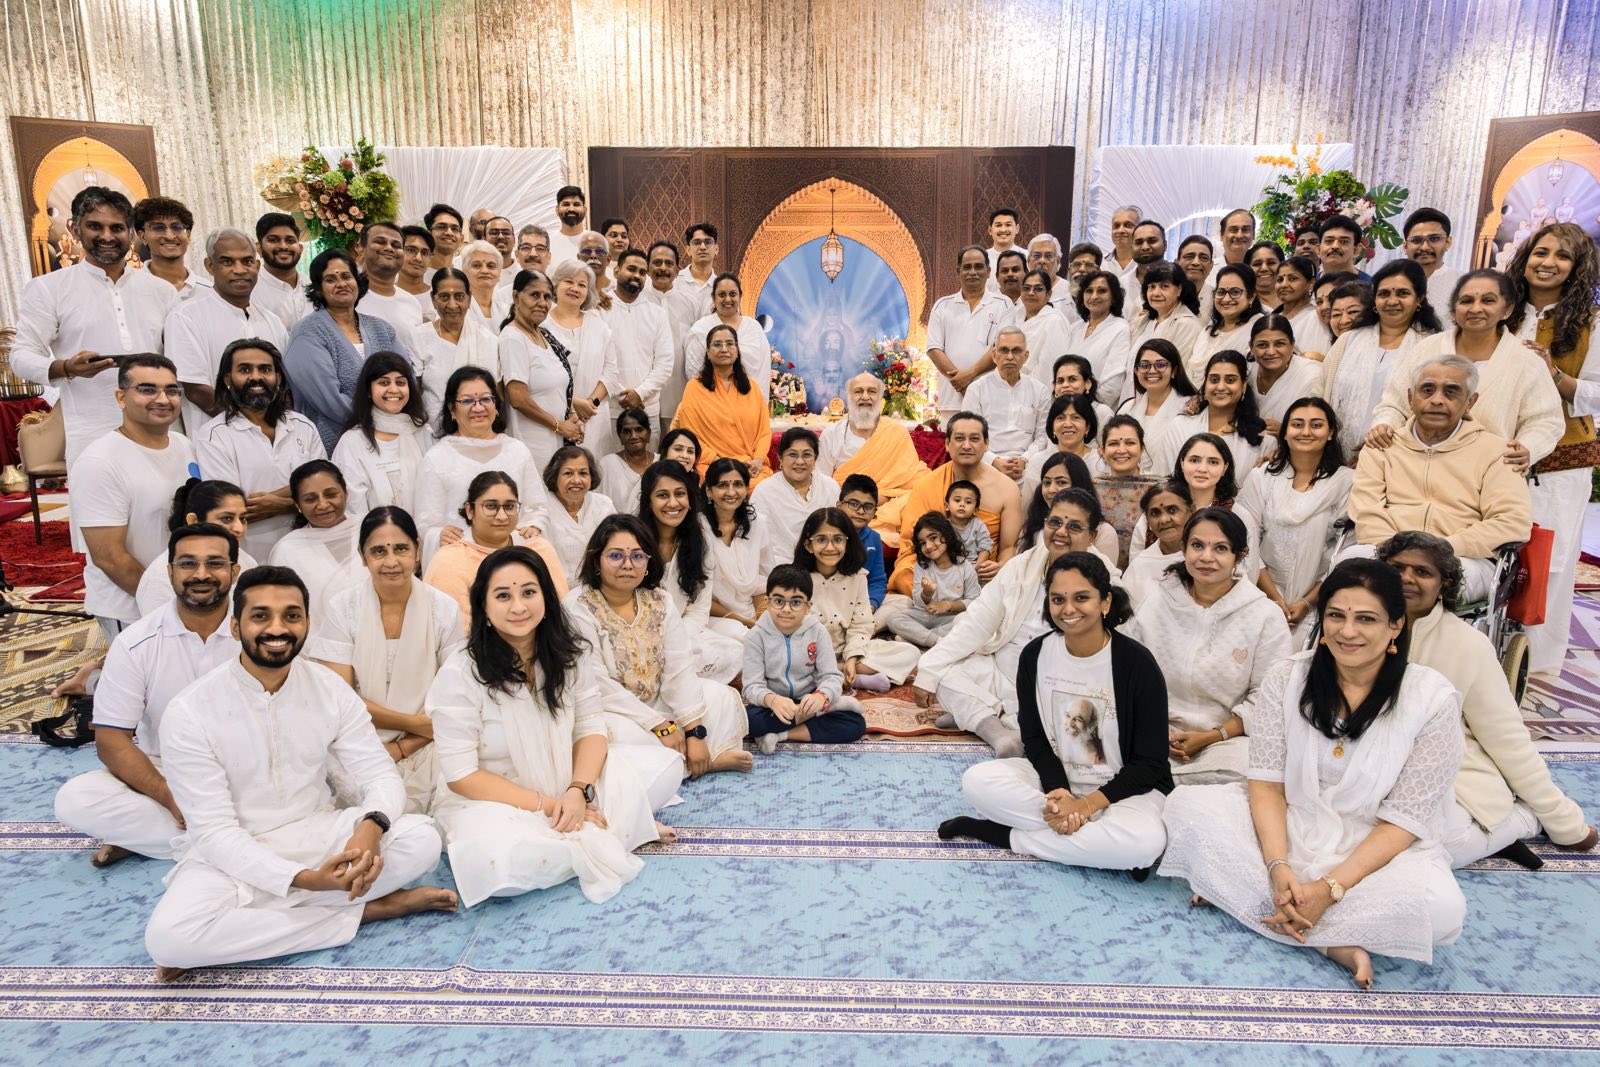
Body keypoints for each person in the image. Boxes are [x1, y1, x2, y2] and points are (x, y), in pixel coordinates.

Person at [1159, 559, 1467, 990]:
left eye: (1366, 619)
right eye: (1336, 616)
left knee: (1442, 911)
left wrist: (1331, 888)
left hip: (1374, 844)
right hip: (1289, 823)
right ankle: (1327, 938)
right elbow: (1266, 784)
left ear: (1396, 626)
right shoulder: (1288, 677)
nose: (1347, 631)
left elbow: (1402, 822)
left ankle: (1262, 904)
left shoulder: (1432, 699)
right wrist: (1277, 864)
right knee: (1186, 808)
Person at [145, 566, 454, 978]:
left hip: (316, 832)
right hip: (231, 851)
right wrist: (306, 880)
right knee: (169, 939)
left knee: (423, 839)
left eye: (291, 616)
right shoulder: (190, 711)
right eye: (261, 616)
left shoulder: (329, 688)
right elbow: (215, 833)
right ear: (235, 627)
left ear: (307, 623)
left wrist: (371, 826)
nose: (277, 628)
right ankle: (364, 911)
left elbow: (380, 775)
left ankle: (257, 923)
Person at [427, 545, 670, 907]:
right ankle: (613, 830)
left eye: (528, 592)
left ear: (546, 598)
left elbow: (591, 728)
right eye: (503, 596)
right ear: (484, 608)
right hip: (496, 799)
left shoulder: (569, 654)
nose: (518, 607)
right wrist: (549, 804)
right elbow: (462, 776)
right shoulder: (460, 674)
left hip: (566, 781)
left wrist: (577, 791)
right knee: (498, 867)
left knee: (665, 769)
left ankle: (590, 828)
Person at [939, 551, 1172, 872]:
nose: (1068, 609)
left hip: (1126, 792)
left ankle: (1003, 835)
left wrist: (1087, 804)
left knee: (1142, 843)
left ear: (1105, 602)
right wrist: (1059, 792)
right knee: (977, 781)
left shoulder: (1137, 665)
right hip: (1058, 782)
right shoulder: (1035, 656)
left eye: (1081, 598)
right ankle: (1092, 841)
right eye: (1058, 599)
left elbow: (1150, 763)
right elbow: (1034, 739)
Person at [1375, 531, 1596, 868]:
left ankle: (1522, 820)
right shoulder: (1354, 628)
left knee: (1430, 850)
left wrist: (1563, 820)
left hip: (1446, 776)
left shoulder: (1467, 645)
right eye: (1396, 568)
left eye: (1422, 571)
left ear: (1445, 583)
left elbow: (1507, 738)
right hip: (1365, 767)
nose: (1406, 578)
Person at [55, 523, 241, 867]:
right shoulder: (135, 643)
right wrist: (168, 796)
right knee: (76, 799)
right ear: (170, 573)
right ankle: (230, 844)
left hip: (250, 768)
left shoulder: (258, 631)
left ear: (234, 571)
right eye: (188, 563)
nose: (201, 574)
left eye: (215, 563)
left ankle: (173, 841)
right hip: (169, 770)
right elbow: (112, 741)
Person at [913, 490, 1107, 755]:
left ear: (1092, 536)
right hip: (1001, 669)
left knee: (1069, 717)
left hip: (1054, 683)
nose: (1061, 532)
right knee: (943, 672)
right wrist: (929, 670)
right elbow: (978, 620)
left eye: (1074, 526)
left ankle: (981, 717)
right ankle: (997, 730)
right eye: (1055, 522)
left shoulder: (1103, 579)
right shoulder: (1022, 565)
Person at [11, 187, 179, 484]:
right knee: (99, 509)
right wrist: (66, 368)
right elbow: (21, 355)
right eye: (95, 226)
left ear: (131, 233)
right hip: (92, 433)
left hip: (160, 428)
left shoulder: (161, 291)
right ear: (75, 229)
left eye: (117, 228)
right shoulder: (49, 288)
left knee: (167, 506)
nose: (107, 236)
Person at [564, 514, 750, 779]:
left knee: (718, 696)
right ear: (596, 561)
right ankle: (698, 764)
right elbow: (597, 684)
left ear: (648, 562)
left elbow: (679, 668)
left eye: (637, 556)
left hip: (658, 700)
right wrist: (659, 726)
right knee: (615, 735)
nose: (628, 564)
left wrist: (694, 731)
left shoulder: (659, 600)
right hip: (613, 709)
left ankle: (685, 760)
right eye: (615, 556)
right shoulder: (577, 607)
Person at [309, 507, 465, 813]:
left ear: (417, 550)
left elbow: (454, 698)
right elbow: (340, 699)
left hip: (430, 741)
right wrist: (416, 725)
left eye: (401, 549)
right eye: (379, 551)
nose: (391, 561)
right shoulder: (343, 608)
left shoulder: (444, 609)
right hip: (359, 739)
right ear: (362, 555)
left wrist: (405, 745)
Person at [1348, 356, 1533, 602]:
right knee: (1348, 567)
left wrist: (1442, 549)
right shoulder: (1382, 446)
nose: (1437, 400)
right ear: (1410, 398)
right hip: (1385, 551)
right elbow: (1366, 512)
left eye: (1451, 392)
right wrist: (1398, 553)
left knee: (1430, 585)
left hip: (1462, 557)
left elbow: (1511, 521)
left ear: (1470, 402)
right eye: (1427, 390)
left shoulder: (1498, 452)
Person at [1126, 507, 1290, 782]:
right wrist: (1155, 729)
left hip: (1227, 742)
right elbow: (1130, 672)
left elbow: (1268, 698)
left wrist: (1213, 736)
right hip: (1153, 731)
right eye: (1197, 545)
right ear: (1184, 548)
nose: (1206, 557)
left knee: (1244, 774)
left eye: (1220, 548)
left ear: (1239, 556)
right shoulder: (1159, 600)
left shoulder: (1264, 616)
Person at [1366, 270, 1563, 474]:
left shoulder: (1526, 360)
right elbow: (1395, 403)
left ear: (1507, 310)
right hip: (1417, 469)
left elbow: (1545, 420)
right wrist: (1384, 425)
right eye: (1466, 301)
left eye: (1488, 300)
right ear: (1453, 311)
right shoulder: (1427, 348)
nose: (1475, 308)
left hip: (1489, 473)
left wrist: (1528, 447)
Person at [1513, 222, 1600, 676]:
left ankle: (1534, 659)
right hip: (1502, 453)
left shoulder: (1592, 322)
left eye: (1561, 256)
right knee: (1497, 550)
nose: (1547, 262)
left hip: (1561, 461)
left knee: (1551, 557)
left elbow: (1598, 393)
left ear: (1577, 267)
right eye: (1540, 252)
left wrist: (1553, 374)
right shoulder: (1503, 310)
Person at [74, 356, 196, 638]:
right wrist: (166, 603)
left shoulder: (183, 444)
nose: (163, 399)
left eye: (171, 390)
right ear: (121, 397)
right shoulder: (99, 461)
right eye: (147, 389)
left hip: (184, 599)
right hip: (132, 607)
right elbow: (109, 557)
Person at [193, 339, 325, 560]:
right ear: (227, 380)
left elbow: (327, 489)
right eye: (245, 370)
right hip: (250, 557)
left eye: (265, 369)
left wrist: (284, 505)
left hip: (310, 552)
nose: (256, 377)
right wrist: (303, 493)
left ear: (278, 378)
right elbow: (230, 509)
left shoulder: (304, 425)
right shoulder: (213, 436)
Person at [1236, 398, 1353, 644]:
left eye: (1316, 425)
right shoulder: (1262, 477)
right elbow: (1245, 540)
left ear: (1331, 433)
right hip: (1258, 594)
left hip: (1320, 602)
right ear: (1285, 432)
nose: (1306, 432)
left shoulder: (1346, 482)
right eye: (1297, 424)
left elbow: (1345, 553)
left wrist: (1307, 602)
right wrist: (1274, 598)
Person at [414, 367, 553, 565]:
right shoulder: (436, 457)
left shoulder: (517, 451)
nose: (478, 408)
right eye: (467, 401)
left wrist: (534, 526)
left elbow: (537, 507)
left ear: (496, 406)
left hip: (514, 560)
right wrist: (438, 535)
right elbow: (426, 523)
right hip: (461, 561)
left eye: (486, 399)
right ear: (452, 409)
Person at [165, 228, 289, 434]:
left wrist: (269, 427)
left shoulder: (272, 321)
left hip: (273, 434)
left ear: (257, 266)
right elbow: (195, 390)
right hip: (216, 439)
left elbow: (282, 384)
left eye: (247, 261)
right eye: (227, 262)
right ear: (210, 265)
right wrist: (250, 426)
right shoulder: (186, 317)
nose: (239, 270)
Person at [283, 247, 407, 451]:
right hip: (336, 441)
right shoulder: (307, 333)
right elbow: (329, 400)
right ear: (319, 289)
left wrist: (393, 426)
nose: (341, 283)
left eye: (347, 276)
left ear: (357, 282)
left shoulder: (381, 328)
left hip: (391, 437)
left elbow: (405, 379)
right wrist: (377, 425)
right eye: (330, 279)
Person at [889, 413, 1023, 594]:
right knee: (904, 576)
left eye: (974, 439)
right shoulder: (927, 485)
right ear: (947, 444)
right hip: (932, 569)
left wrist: (999, 567)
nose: (966, 446)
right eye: (959, 438)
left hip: (979, 575)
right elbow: (912, 545)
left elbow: (1009, 548)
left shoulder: (1007, 489)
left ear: (986, 444)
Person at [1319, 260, 1440, 458]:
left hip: (1395, 454)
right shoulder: (1349, 340)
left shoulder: (1432, 347)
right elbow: (1320, 390)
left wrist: (1377, 445)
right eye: (1384, 294)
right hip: (1334, 452)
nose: (1392, 301)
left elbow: (1431, 407)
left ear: (1419, 299)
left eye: (1402, 293)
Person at [742, 565, 868, 752]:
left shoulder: (818, 632)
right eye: (778, 601)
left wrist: (822, 696)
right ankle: (818, 714)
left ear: (808, 606)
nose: (786, 609)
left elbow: (831, 676)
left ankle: (781, 734)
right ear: (767, 602)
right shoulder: (755, 636)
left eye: (796, 602)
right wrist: (771, 700)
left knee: (855, 724)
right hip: (772, 707)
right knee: (747, 722)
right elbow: (751, 686)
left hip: (808, 700)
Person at [640, 460, 744, 682]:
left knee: (740, 650)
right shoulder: (634, 541)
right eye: (662, 495)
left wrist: (678, 639)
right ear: (648, 501)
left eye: (680, 494)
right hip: (641, 637)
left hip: (684, 631)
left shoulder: (699, 538)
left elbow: (698, 609)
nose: (673, 503)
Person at [796, 507, 920, 687]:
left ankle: (837, 672)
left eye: (838, 539)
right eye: (821, 539)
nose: (830, 547)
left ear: (847, 543)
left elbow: (861, 625)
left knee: (909, 653)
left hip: (845, 650)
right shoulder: (796, 579)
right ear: (809, 545)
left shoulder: (858, 577)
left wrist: (852, 658)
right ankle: (850, 676)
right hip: (807, 654)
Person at [424, 471, 561, 632]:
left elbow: (559, 612)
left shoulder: (538, 548)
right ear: (469, 510)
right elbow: (454, 631)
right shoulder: (449, 561)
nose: (502, 516)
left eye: (509, 506)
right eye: (491, 506)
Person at [814, 373, 929, 524]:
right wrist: (854, 505)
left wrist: (878, 500)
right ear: (848, 397)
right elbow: (821, 482)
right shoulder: (831, 435)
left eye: (872, 391)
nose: (865, 397)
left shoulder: (897, 432)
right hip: (845, 511)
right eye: (858, 391)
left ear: (880, 397)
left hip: (888, 508)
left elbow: (911, 480)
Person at [332, 351, 432, 519]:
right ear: (368, 391)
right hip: (373, 533)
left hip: (426, 531)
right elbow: (353, 509)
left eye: (400, 382)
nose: (394, 389)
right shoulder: (352, 442)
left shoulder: (423, 432)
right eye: (384, 382)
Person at [499, 268, 581, 472]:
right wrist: (559, 425)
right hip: (531, 443)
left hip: (556, 440)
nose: (542, 303)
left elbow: (559, 386)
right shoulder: (513, 337)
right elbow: (518, 399)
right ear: (516, 297)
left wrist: (571, 417)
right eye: (534, 295)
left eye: (547, 297)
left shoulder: (545, 335)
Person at [134, 479, 255, 617]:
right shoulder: (160, 579)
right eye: (227, 518)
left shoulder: (246, 560)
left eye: (243, 519)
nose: (239, 528)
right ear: (193, 521)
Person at [267, 459, 363, 630]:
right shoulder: (288, 549)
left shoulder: (370, 529)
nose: (323, 504)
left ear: (346, 493)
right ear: (297, 505)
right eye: (310, 499)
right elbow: (284, 609)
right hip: (319, 643)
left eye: (331, 494)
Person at [670, 322, 771, 479]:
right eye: (717, 344)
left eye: (730, 344)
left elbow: (764, 432)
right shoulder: (694, 388)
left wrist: (758, 460)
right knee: (719, 483)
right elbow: (691, 435)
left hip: (750, 464)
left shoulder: (752, 388)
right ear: (708, 352)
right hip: (712, 464)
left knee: (761, 486)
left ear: (737, 351)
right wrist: (720, 462)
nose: (724, 349)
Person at [926, 246, 1015, 414]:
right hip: (952, 401)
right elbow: (934, 349)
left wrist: (969, 375)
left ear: (988, 272)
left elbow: (1001, 348)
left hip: (991, 400)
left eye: (978, 267)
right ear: (958, 271)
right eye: (967, 267)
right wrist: (961, 384)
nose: (972, 272)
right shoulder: (942, 306)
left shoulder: (1003, 304)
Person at [542, 259, 619, 454]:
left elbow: (611, 371)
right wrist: (574, 403)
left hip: (593, 416)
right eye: (569, 281)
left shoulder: (598, 324)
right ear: (555, 285)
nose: (575, 288)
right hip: (553, 415)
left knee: (592, 468)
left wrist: (591, 403)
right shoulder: (541, 324)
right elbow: (538, 374)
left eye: (582, 285)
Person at [1150, 350, 1270, 474]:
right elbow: (1164, 477)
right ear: (1205, 384)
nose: (1220, 387)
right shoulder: (1180, 426)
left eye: (1230, 380)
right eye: (1214, 380)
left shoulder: (1260, 435)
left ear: (1243, 385)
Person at [600, 248, 675, 444]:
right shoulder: (600, 309)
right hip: (610, 409)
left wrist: (640, 393)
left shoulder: (656, 313)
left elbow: (665, 363)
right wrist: (623, 396)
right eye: (631, 269)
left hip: (647, 409)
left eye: (642, 272)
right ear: (616, 271)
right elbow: (596, 361)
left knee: (649, 463)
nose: (637, 276)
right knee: (611, 462)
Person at [409, 267, 499, 422]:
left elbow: (495, 394)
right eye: (444, 297)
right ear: (433, 299)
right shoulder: (419, 337)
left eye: (459, 297)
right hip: (433, 429)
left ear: (469, 299)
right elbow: (414, 393)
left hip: (479, 427)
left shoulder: (487, 339)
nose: (452, 305)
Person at [963, 327, 1050, 480]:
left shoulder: (1039, 390)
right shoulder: (977, 389)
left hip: (1028, 466)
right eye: (1004, 350)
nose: (1010, 357)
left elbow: (1043, 436)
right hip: (985, 464)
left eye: (1016, 351)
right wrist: (994, 461)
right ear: (994, 355)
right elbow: (969, 435)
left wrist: (1024, 460)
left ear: (1026, 356)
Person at [888, 512, 981, 648]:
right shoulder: (922, 566)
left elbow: (974, 601)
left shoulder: (965, 566)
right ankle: (936, 641)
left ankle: (919, 639)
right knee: (893, 619)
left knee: (968, 620)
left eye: (933, 538)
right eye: (922, 543)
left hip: (951, 618)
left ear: (947, 535)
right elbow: (918, 601)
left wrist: (948, 605)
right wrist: (926, 594)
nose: (928, 546)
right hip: (926, 615)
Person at [751, 427, 841, 567]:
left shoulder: (830, 487)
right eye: (792, 455)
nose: (800, 462)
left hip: (826, 564)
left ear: (815, 458)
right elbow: (756, 539)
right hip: (779, 567)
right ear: (780, 458)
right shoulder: (764, 491)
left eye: (807, 455)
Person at [703, 457, 773, 628]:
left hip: (753, 613)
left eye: (738, 484)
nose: (731, 492)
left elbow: (763, 580)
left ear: (747, 489)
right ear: (709, 491)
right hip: (713, 617)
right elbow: (698, 596)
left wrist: (761, 620)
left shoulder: (757, 523)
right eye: (722, 485)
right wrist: (745, 623)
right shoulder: (698, 528)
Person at [682, 272, 773, 401]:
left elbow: (763, 373)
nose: (728, 299)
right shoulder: (701, 329)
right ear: (713, 298)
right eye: (722, 294)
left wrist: (759, 405)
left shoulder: (754, 328)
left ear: (740, 296)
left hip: (750, 403)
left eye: (733, 294)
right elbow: (694, 374)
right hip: (711, 403)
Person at [1093, 415, 1161, 567]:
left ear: (1142, 449)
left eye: (1130, 443)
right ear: (1102, 451)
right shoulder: (1091, 490)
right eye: (1113, 443)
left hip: (1150, 571)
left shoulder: (1159, 490)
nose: (1121, 450)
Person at [543, 445, 616, 583]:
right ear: (555, 477)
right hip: (553, 589)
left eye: (583, 473)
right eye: (568, 473)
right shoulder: (541, 509)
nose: (576, 480)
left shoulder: (604, 506)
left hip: (599, 587)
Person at [1063, 270, 1132, 406]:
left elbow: (1114, 382)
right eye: (1089, 291)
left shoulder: (1120, 328)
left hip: (1097, 408)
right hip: (1066, 405)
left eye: (1102, 291)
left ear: (1113, 297)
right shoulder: (1074, 328)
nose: (1094, 296)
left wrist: (1087, 409)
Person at [1129, 262, 1202, 387]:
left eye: (1164, 286)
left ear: (1179, 289)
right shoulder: (1143, 321)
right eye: (1151, 287)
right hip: (1132, 393)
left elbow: (1178, 372)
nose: (1156, 293)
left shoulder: (1187, 324)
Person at [1187, 264, 1262, 384]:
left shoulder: (1259, 330)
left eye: (1235, 292)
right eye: (1221, 292)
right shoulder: (1209, 329)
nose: (1226, 299)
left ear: (1251, 296)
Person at [1121, 481, 1193, 608]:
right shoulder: (1139, 566)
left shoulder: (1206, 558)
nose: (1164, 520)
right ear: (1147, 521)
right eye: (1155, 513)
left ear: (1191, 512)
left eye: (1172, 510)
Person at [1115, 338, 1195, 448]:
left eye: (1161, 365)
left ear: (1174, 371)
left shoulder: (1189, 408)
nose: (1152, 371)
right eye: (1145, 366)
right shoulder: (1126, 408)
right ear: (1136, 371)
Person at [1247, 315, 1322, 428]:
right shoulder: (1246, 372)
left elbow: (1318, 426)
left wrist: (1285, 432)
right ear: (1251, 346)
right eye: (1262, 345)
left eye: (1279, 344)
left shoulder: (1312, 376)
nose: (1271, 352)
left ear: (1292, 344)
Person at [354, 221, 424, 335]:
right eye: (380, 242)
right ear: (361, 249)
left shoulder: (412, 303)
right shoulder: (347, 296)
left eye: (396, 245)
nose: (389, 248)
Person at [133, 196, 206, 297]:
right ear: (143, 236)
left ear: (188, 235)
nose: (169, 236)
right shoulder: (129, 290)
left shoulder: (208, 291)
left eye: (177, 227)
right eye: (158, 228)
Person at [838, 473, 889, 613]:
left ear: (875, 511)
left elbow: (877, 581)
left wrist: (871, 605)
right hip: (830, 601)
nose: (860, 511)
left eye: (868, 507)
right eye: (854, 504)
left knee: (902, 603)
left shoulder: (874, 538)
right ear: (839, 505)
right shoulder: (827, 534)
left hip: (862, 603)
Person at [252, 212, 311, 329]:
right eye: (273, 240)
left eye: (290, 241)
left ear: (300, 249)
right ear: (259, 248)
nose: (283, 246)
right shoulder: (251, 292)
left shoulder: (312, 285)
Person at [1015, 268, 1071, 376]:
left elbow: (1048, 368)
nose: (1031, 293)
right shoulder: (1016, 315)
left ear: (1049, 294)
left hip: (1036, 383)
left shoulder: (1054, 321)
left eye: (1038, 289)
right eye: (1026, 288)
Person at [1402, 208, 1460, 312]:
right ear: (1405, 246)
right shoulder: (1389, 281)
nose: (1424, 247)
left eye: (1434, 239)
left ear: (1448, 242)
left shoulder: (1462, 283)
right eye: (1416, 240)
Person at [599, 407, 653, 514]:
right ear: (620, 436)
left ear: (649, 434)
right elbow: (598, 505)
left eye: (639, 430)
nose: (633, 436)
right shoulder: (607, 465)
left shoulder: (660, 463)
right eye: (627, 431)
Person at [1274, 255, 1331, 356]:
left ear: (1311, 283)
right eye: (1279, 280)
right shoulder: (1272, 319)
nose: (1284, 285)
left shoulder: (1317, 318)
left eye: (1293, 279)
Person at [945, 478, 999, 565]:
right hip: (950, 567)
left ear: (975, 510)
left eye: (968, 502)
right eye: (957, 500)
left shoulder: (978, 525)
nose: (962, 504)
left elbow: (985, 547)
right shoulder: (943, 526)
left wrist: (977, 567)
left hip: (973, 565)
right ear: (947, 506)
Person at [458, 240, 510, 330]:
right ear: (465, 272)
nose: (484, 271)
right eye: (476, 265)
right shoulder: (456, 308)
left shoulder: (507, 311)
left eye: (491, 266)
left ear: (499, 274)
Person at [675, 222, 721, 320]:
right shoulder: (674, 283)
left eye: (708, 242)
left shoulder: (721, 288)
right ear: (688, 250)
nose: (703, 247)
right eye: (697, 243)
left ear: (716, 249)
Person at [394, 225, 436, 316]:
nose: (418, 258)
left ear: (431, 258)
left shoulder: (437, 297)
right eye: (411, 250)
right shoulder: (385, 294)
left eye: (425, 253)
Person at [1317, 214, 1369, 280]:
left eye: (1344, 241)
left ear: (1356, 250)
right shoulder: (1308, 283)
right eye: (1329, 241)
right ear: (1318, 249)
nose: (1335, 246)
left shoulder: (1371, 285)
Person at [548, 184, 588, 264]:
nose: (571, 209)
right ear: (557, 210)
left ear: (585, 210)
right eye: (566, 204)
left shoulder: (597, 241)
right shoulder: (547, 243)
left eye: (576, 204)